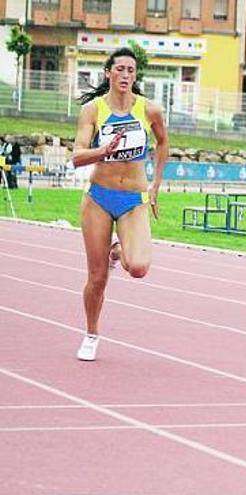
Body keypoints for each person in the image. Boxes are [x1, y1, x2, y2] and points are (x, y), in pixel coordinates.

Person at [71, 47, 169, 361]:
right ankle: (91, 333)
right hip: (99, 197)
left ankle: (118, 251)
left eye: (131, 70)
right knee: (97, 277)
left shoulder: (150, 110)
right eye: (120, 69)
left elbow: (164, 143)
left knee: (139, 267)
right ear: (108, 73)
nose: (126, 75)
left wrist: (155, 185)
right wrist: (103, 150)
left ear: (135, 75)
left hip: (134, 199)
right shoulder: (94, 111)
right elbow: (76, 156)